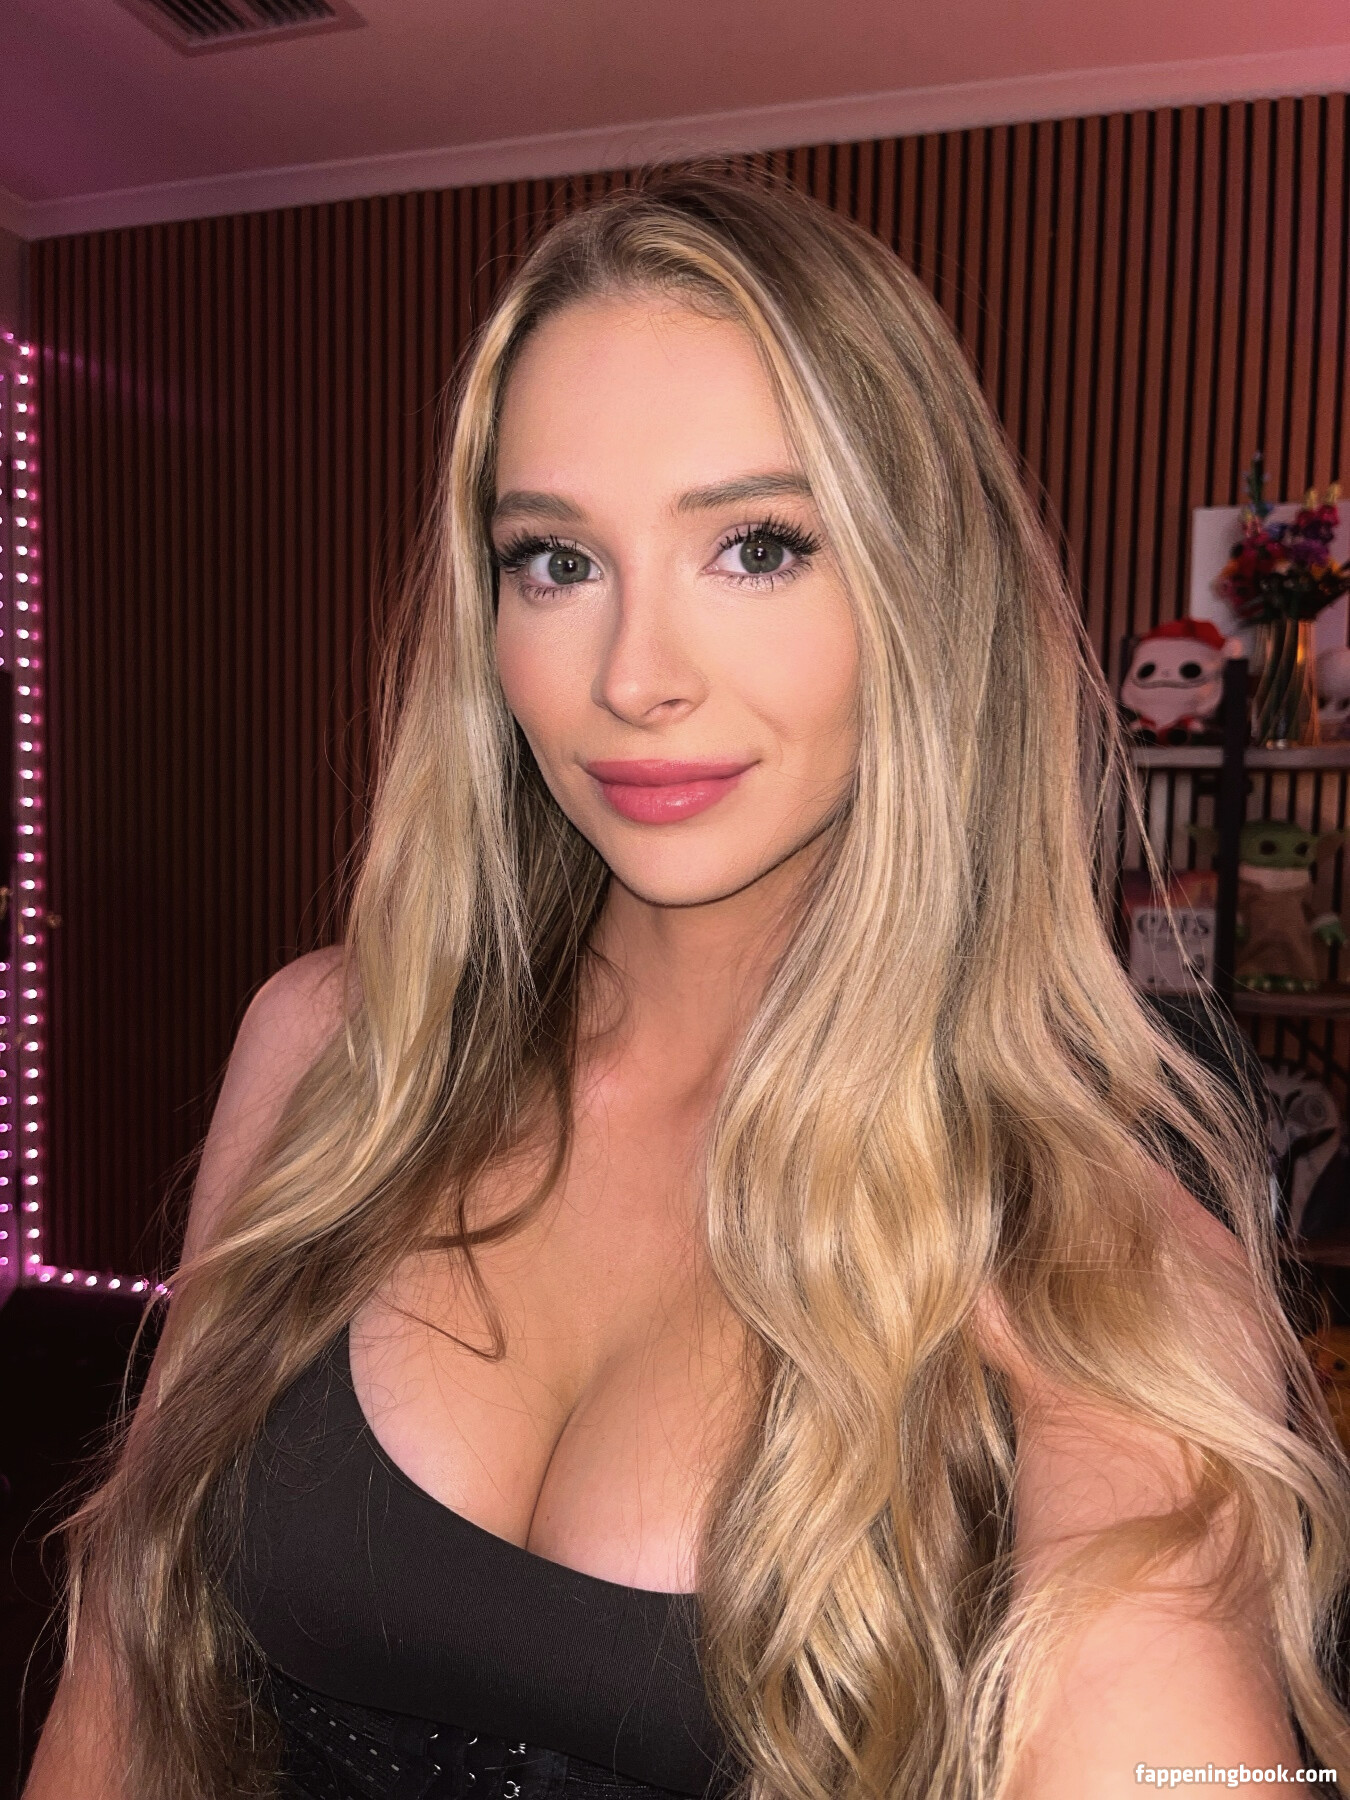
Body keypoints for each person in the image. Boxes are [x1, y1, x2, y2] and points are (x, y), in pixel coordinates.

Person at [22, 168, 1350, 1800]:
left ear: (922, 591)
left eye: (756, 546)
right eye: (553, 562)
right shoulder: (329, 1052)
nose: (633, 677)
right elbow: (118, 1681)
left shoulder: (1085, 1239)